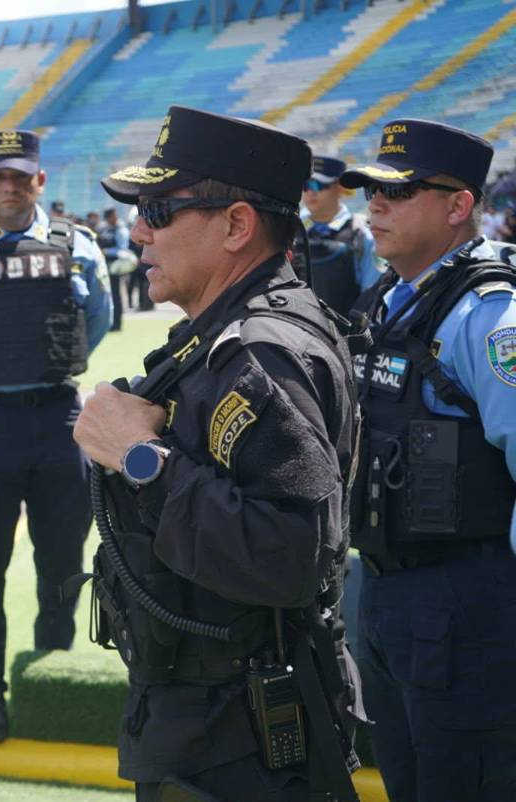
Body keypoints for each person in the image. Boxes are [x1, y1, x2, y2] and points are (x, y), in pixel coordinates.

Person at [74, 106, 362, 801]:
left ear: (236, 225)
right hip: (211, 714)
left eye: (160, 209)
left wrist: (140, 457)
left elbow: (291, 553)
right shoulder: (227, 331)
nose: (139, 230)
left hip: (238, 733)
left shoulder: (259, 348)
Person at [338, 119, 516, 802]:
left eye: (401, 190)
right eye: (372, 190)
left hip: (466, 601)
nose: (375, 205)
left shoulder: (490, 317)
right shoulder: (391, 297)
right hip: (387, 590)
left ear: (458, 205)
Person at [0, 128, 112, 742]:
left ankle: (46, 670)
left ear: (40, 181)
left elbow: (98, 319)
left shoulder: (78, 246)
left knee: (62, 560)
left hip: (59, 419)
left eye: (22, 176)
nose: (11, 187)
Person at [294, 155, 380, 315]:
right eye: (306, 185)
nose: (311, 192)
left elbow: (371, 296)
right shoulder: (289, 229)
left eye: (319, 185)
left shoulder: (360, 234)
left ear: (340, 188)